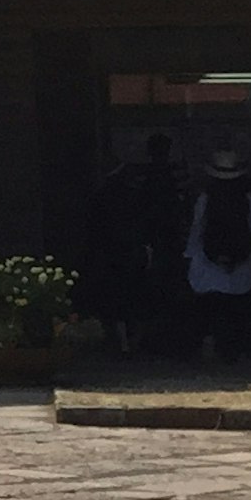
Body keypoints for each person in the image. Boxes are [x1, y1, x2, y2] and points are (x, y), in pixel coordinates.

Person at [86, 132, 184, 353]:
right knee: (140, 297)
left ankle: (126, 342)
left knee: (123, 298)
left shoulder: (112, 193)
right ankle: (138, 341)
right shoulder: (148, 185)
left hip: (123, 251)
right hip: (140, 250)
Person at [185, 150, 251, 365]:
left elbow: (197, 227)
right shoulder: (247, 198)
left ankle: (210, 346)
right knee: (238, 307)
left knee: (211, 305)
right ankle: (234, 349)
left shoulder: (206, 197)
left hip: (208, 262)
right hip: (242, 261)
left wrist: (189, 254)